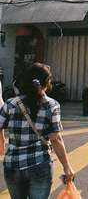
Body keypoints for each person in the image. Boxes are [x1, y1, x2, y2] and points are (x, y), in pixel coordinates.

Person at [0, 63, 74, 199]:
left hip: (13, 164)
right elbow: (55, 139)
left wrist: (2, 142)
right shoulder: (52, 105)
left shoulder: (10, 104)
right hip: (40, 164)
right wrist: (66, 166)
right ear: (47, 83)